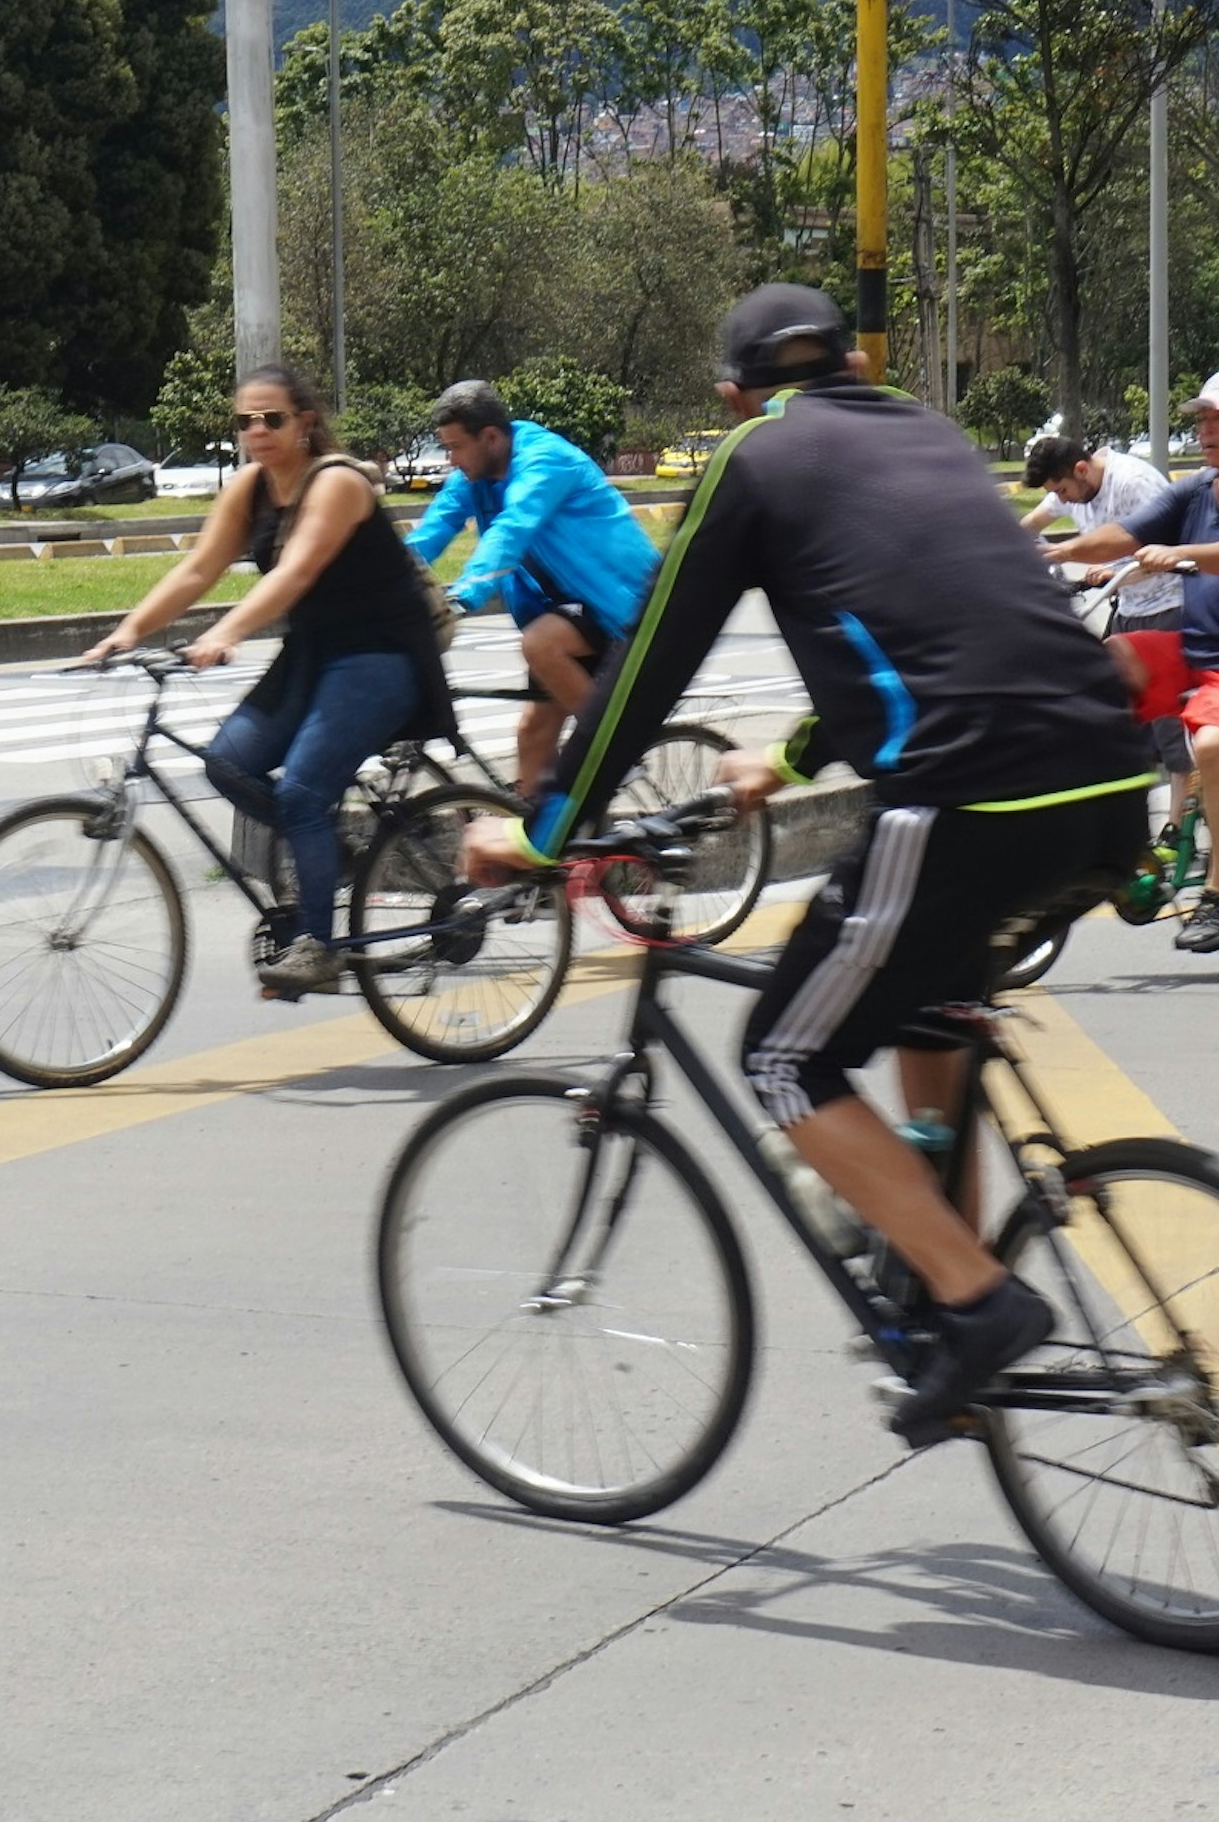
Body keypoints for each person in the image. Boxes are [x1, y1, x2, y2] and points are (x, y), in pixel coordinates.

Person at [467, 285, 1153, 1445]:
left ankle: (977, 1303)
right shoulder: (924, 431)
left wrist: (541, 832)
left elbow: (648, 668)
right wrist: (783, 758)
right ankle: (944, 1292)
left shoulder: (753, 456)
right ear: (848, 362)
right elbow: (935, 626)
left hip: (966, 803)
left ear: (735, 395)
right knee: (933, 1013)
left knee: (783, 1055)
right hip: (1107, 790)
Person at [89, 362, 455, 997]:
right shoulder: (253, 487)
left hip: (381, 656)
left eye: (272, 419)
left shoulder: (337, 482)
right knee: (228, 764)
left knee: (303, 795)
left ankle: (316, 945)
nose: (257, 431)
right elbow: (198, 568)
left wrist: (226, 633)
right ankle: (325, 846)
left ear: (305, 422)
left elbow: (297, 573)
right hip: (314, 654)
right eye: (245, 421)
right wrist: (129, 632)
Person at [1043, 370, 1219, 950]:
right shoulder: (1198, 488)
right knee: (1104, 666)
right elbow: (1123, 535)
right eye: (1200, 418)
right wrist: (1054, 551)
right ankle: (1125, 831)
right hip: (1197, 648)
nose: (1205, 428)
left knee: (1212, 744)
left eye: (1218, 417)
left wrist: (1178, 553)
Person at [401, 379, 659, 796]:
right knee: (534, 738)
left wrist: (464, 596)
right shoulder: (475, 476)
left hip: (621, 604)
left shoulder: (545, 462)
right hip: (567, 610)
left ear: (489, 437)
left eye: (455, 447)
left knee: (541, 645)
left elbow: (512, 528)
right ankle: (542, 854)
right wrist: (381, 585)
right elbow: (431, 532)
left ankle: (616, 752)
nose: (451, 460)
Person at [1022, 436, 1183, 632]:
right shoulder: (1075, 485)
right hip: (1128, 608)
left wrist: (1114, 575)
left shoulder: (1133, 482)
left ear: (1081, 469)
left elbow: (1167, 555)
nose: (1061, 500)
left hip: (1170, 608)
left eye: (1062, 491)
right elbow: (1031, 524)